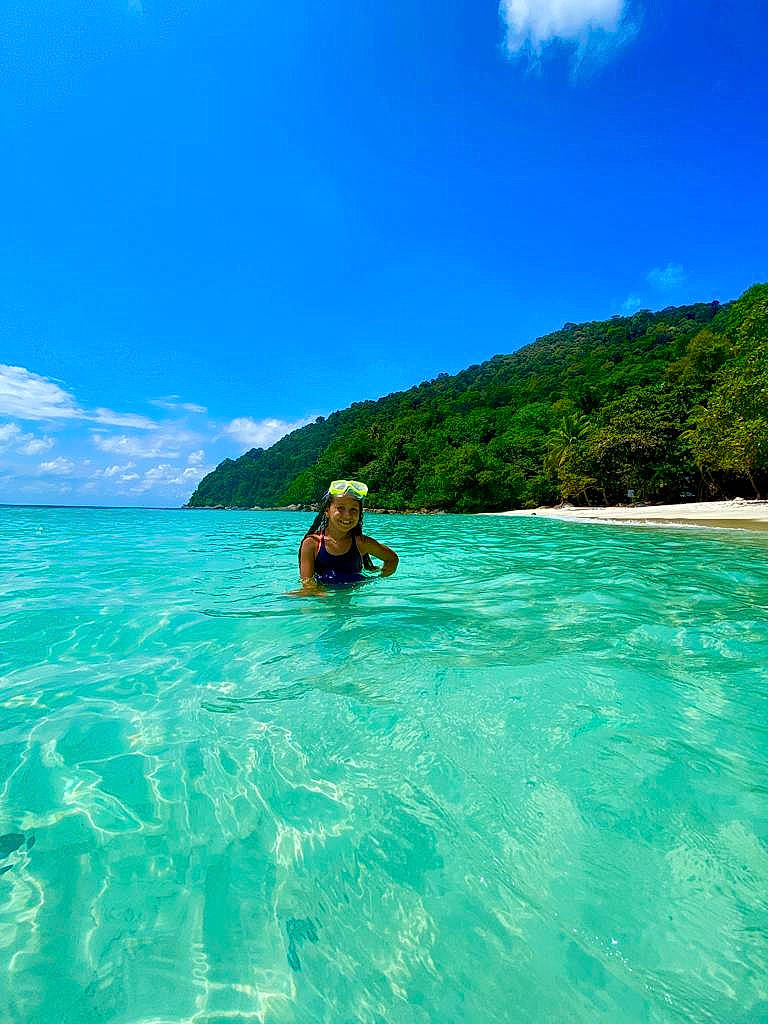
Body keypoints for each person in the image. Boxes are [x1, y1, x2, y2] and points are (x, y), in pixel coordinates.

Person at [297, 479, 398, 591]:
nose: (347, 515)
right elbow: (307, 584)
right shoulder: (312, 544)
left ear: (360, 514)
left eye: (353, 510)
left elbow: (392, 559)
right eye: (340, 508)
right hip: (324, 600)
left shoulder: (362, 543)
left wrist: (377, 580)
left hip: (353, 597)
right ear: (327, 511)